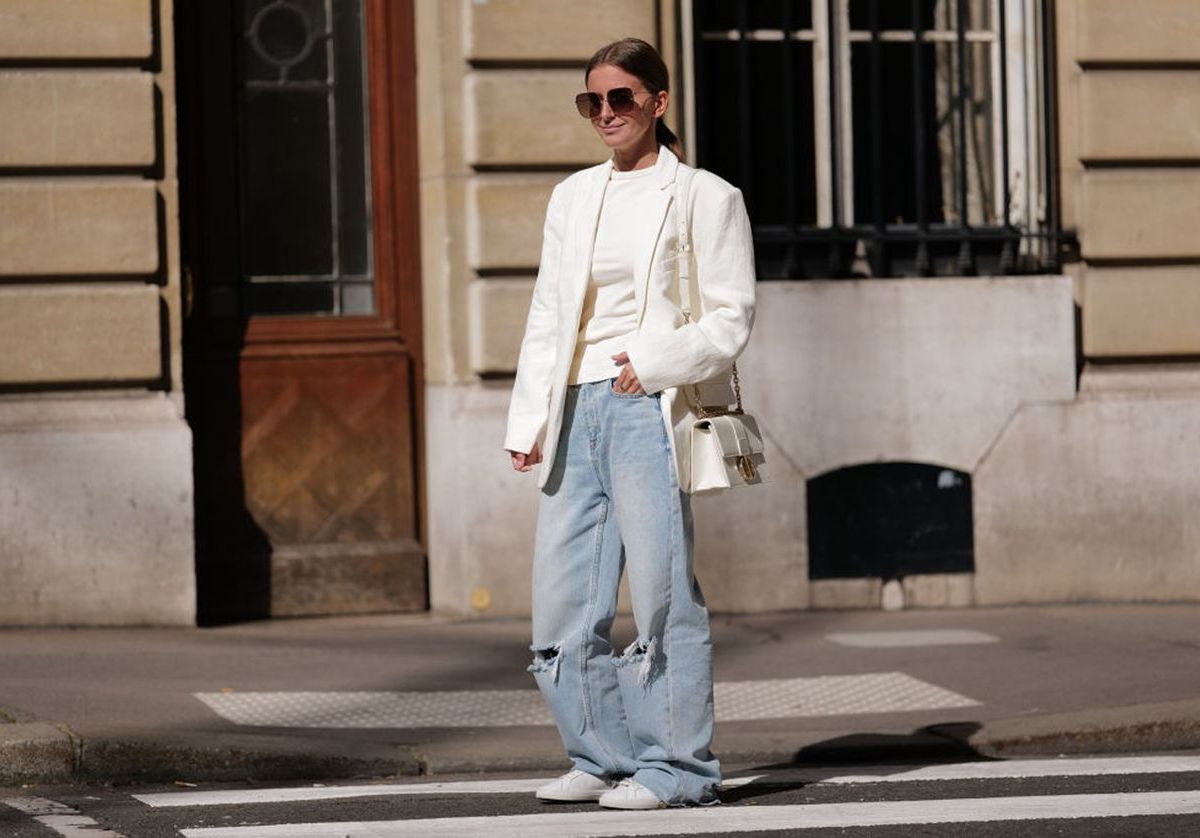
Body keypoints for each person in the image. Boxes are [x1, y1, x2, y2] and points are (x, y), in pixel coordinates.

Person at [503, 37, 756, 810]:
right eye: (593, 101)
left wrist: (654, 361)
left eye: (620, 98)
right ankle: (601, 754)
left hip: (646, 405)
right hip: (573, 406)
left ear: (657, 101)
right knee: (563, 599)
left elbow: (730, 315)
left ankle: (678, 768)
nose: (605, 113)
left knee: (660, 593)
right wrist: (528, 416)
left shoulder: (705, 197)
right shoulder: (574, 195)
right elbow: (549, 310)